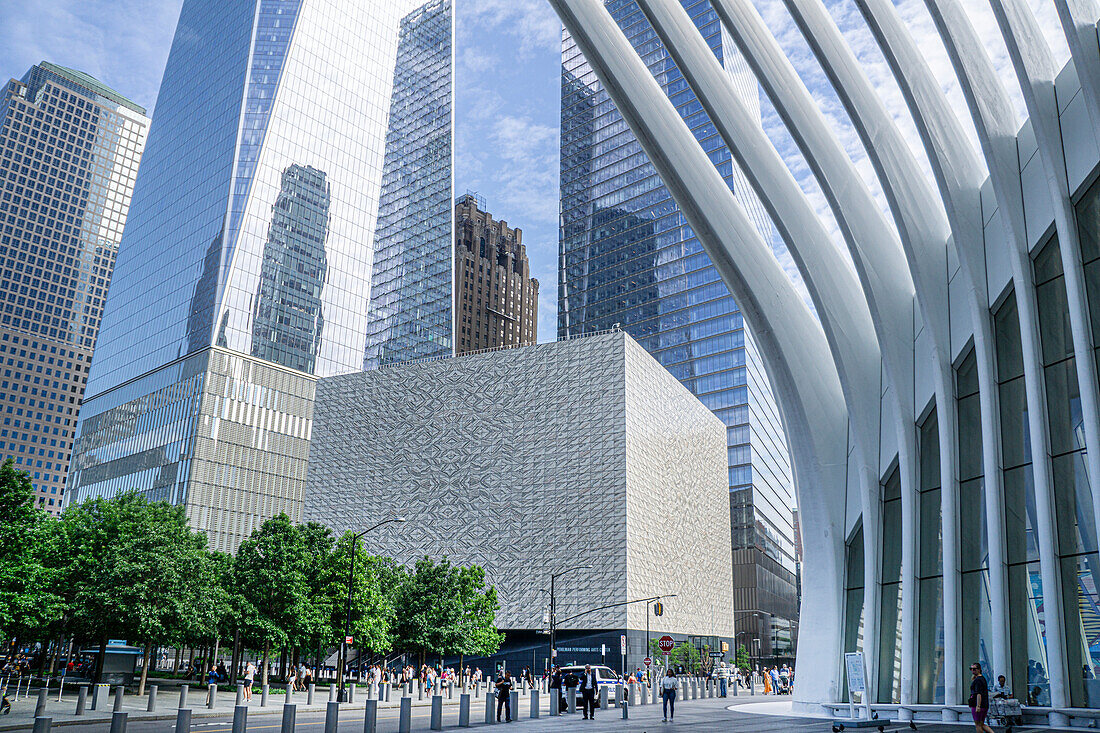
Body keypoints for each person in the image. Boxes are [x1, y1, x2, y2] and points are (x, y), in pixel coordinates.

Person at [968, 662, 994, 733]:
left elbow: (979, 693)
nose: (972, 671)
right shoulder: (982, 679)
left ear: (979, 669)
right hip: (984, 704)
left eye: (974, 669)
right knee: (981, 723)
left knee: (978, 724)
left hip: (978, 704)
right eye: (971, 669)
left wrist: (978, 706)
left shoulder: (978, 680)